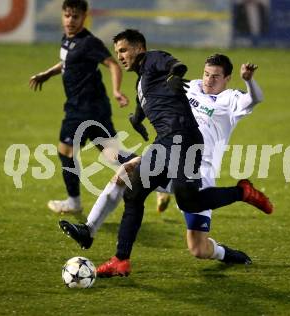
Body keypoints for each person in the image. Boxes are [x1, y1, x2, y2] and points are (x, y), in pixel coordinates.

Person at [69, 29, 272, 278]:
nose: (208, 80)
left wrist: (247, 80)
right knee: (130, 185)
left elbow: (175, 66)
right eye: (207, 74)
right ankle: (117, 256)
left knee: (196, 243)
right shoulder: (186, 86)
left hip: (197, 158)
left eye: (216, 77)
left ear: (228, 78)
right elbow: (154, 95)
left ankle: (241, 194)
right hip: (168, 144)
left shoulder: (229, 99)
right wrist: (137, 117)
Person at [29, 0, 132, 214]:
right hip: (87, 107)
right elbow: (67, 62)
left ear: (85, 16)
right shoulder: (67, 40)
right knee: (112, 154)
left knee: (66, 151)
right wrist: (47, 74)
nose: (70, 20)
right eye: (67, 15)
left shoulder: (89, 42)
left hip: (85, 108)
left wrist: (117, 91)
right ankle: (159, 177)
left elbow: (112, 64)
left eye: (75, 16)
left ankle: (73, 202)